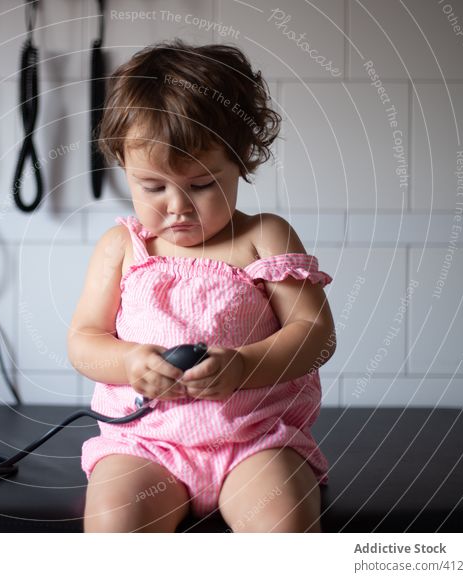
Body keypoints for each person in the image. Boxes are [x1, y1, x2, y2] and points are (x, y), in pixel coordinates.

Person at [67, 39, 336, 533]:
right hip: (146, 446)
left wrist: (245, 365)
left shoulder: (263, 237)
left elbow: (315, 332)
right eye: (153, 187)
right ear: (123, 168)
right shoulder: (121, 248)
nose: (177, 206)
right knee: (112, 527)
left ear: (242, 161)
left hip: (256, 440)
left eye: (202, 184)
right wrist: (128, 362)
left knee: (283, 529)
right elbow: (84, 341)